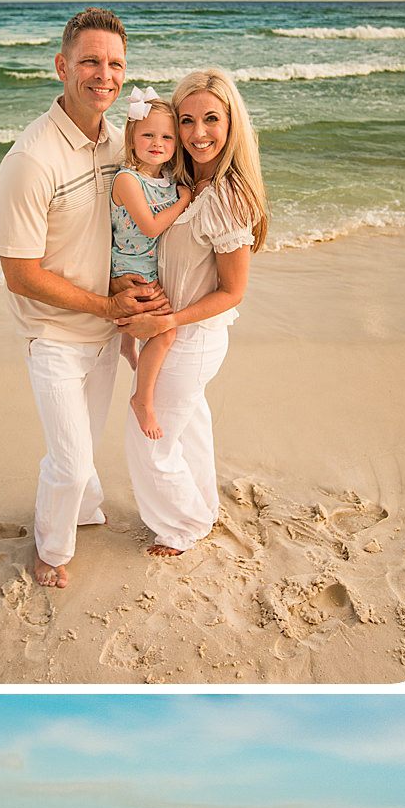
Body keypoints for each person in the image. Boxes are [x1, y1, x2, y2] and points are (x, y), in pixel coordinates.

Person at [0, 6, 174, 588]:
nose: (105, 75)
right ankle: (50, 549)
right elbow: (19, 273)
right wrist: (104, 305)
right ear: (62, 66)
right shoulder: (30, 160)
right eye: (91, 61)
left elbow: (120, 229)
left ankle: (85, 510)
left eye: (116, 64)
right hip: (54, 335)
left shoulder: (120, 144)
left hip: (106, 331)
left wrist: (124, 291)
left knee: (85, 445)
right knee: (69, 461)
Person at [126, 68, 267, 558]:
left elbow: (233, 292)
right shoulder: (181, 182)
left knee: (149, 439)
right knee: (188, 429)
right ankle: (202, 509)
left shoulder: (227, 196)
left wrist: (166, 322)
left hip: (191, 335)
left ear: (231, 123)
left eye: (211, 119)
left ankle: (182, 528)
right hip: (174, 334)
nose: (197, 133)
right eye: (186, 121)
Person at [109, 89, 192, 442]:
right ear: (132, 137)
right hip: (130, 270)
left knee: (158, 328)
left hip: (149, 267)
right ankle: (142, 400)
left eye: (167, 137)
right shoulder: (128, 180)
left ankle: (126, 344)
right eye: (148, 135)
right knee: (165, 332)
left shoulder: (167, 178)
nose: (157, 143)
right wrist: (185, 200)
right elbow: (151, 226)